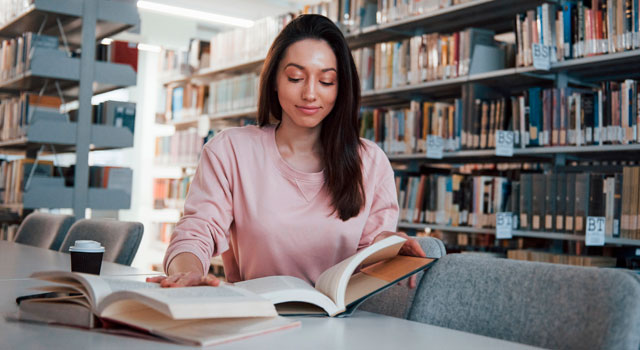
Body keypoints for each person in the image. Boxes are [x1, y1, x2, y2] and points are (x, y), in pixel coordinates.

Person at [147, 14, 425, 289]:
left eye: (326, 81)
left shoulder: (370, 162)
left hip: (341, 325)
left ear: (341, 88)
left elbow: (368, 262)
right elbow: (196, 231)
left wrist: (387, 249)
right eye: (295, 78)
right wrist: (188, 272)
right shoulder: (230, 150)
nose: (310, 94)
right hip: (256, 319)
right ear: (274, 80)